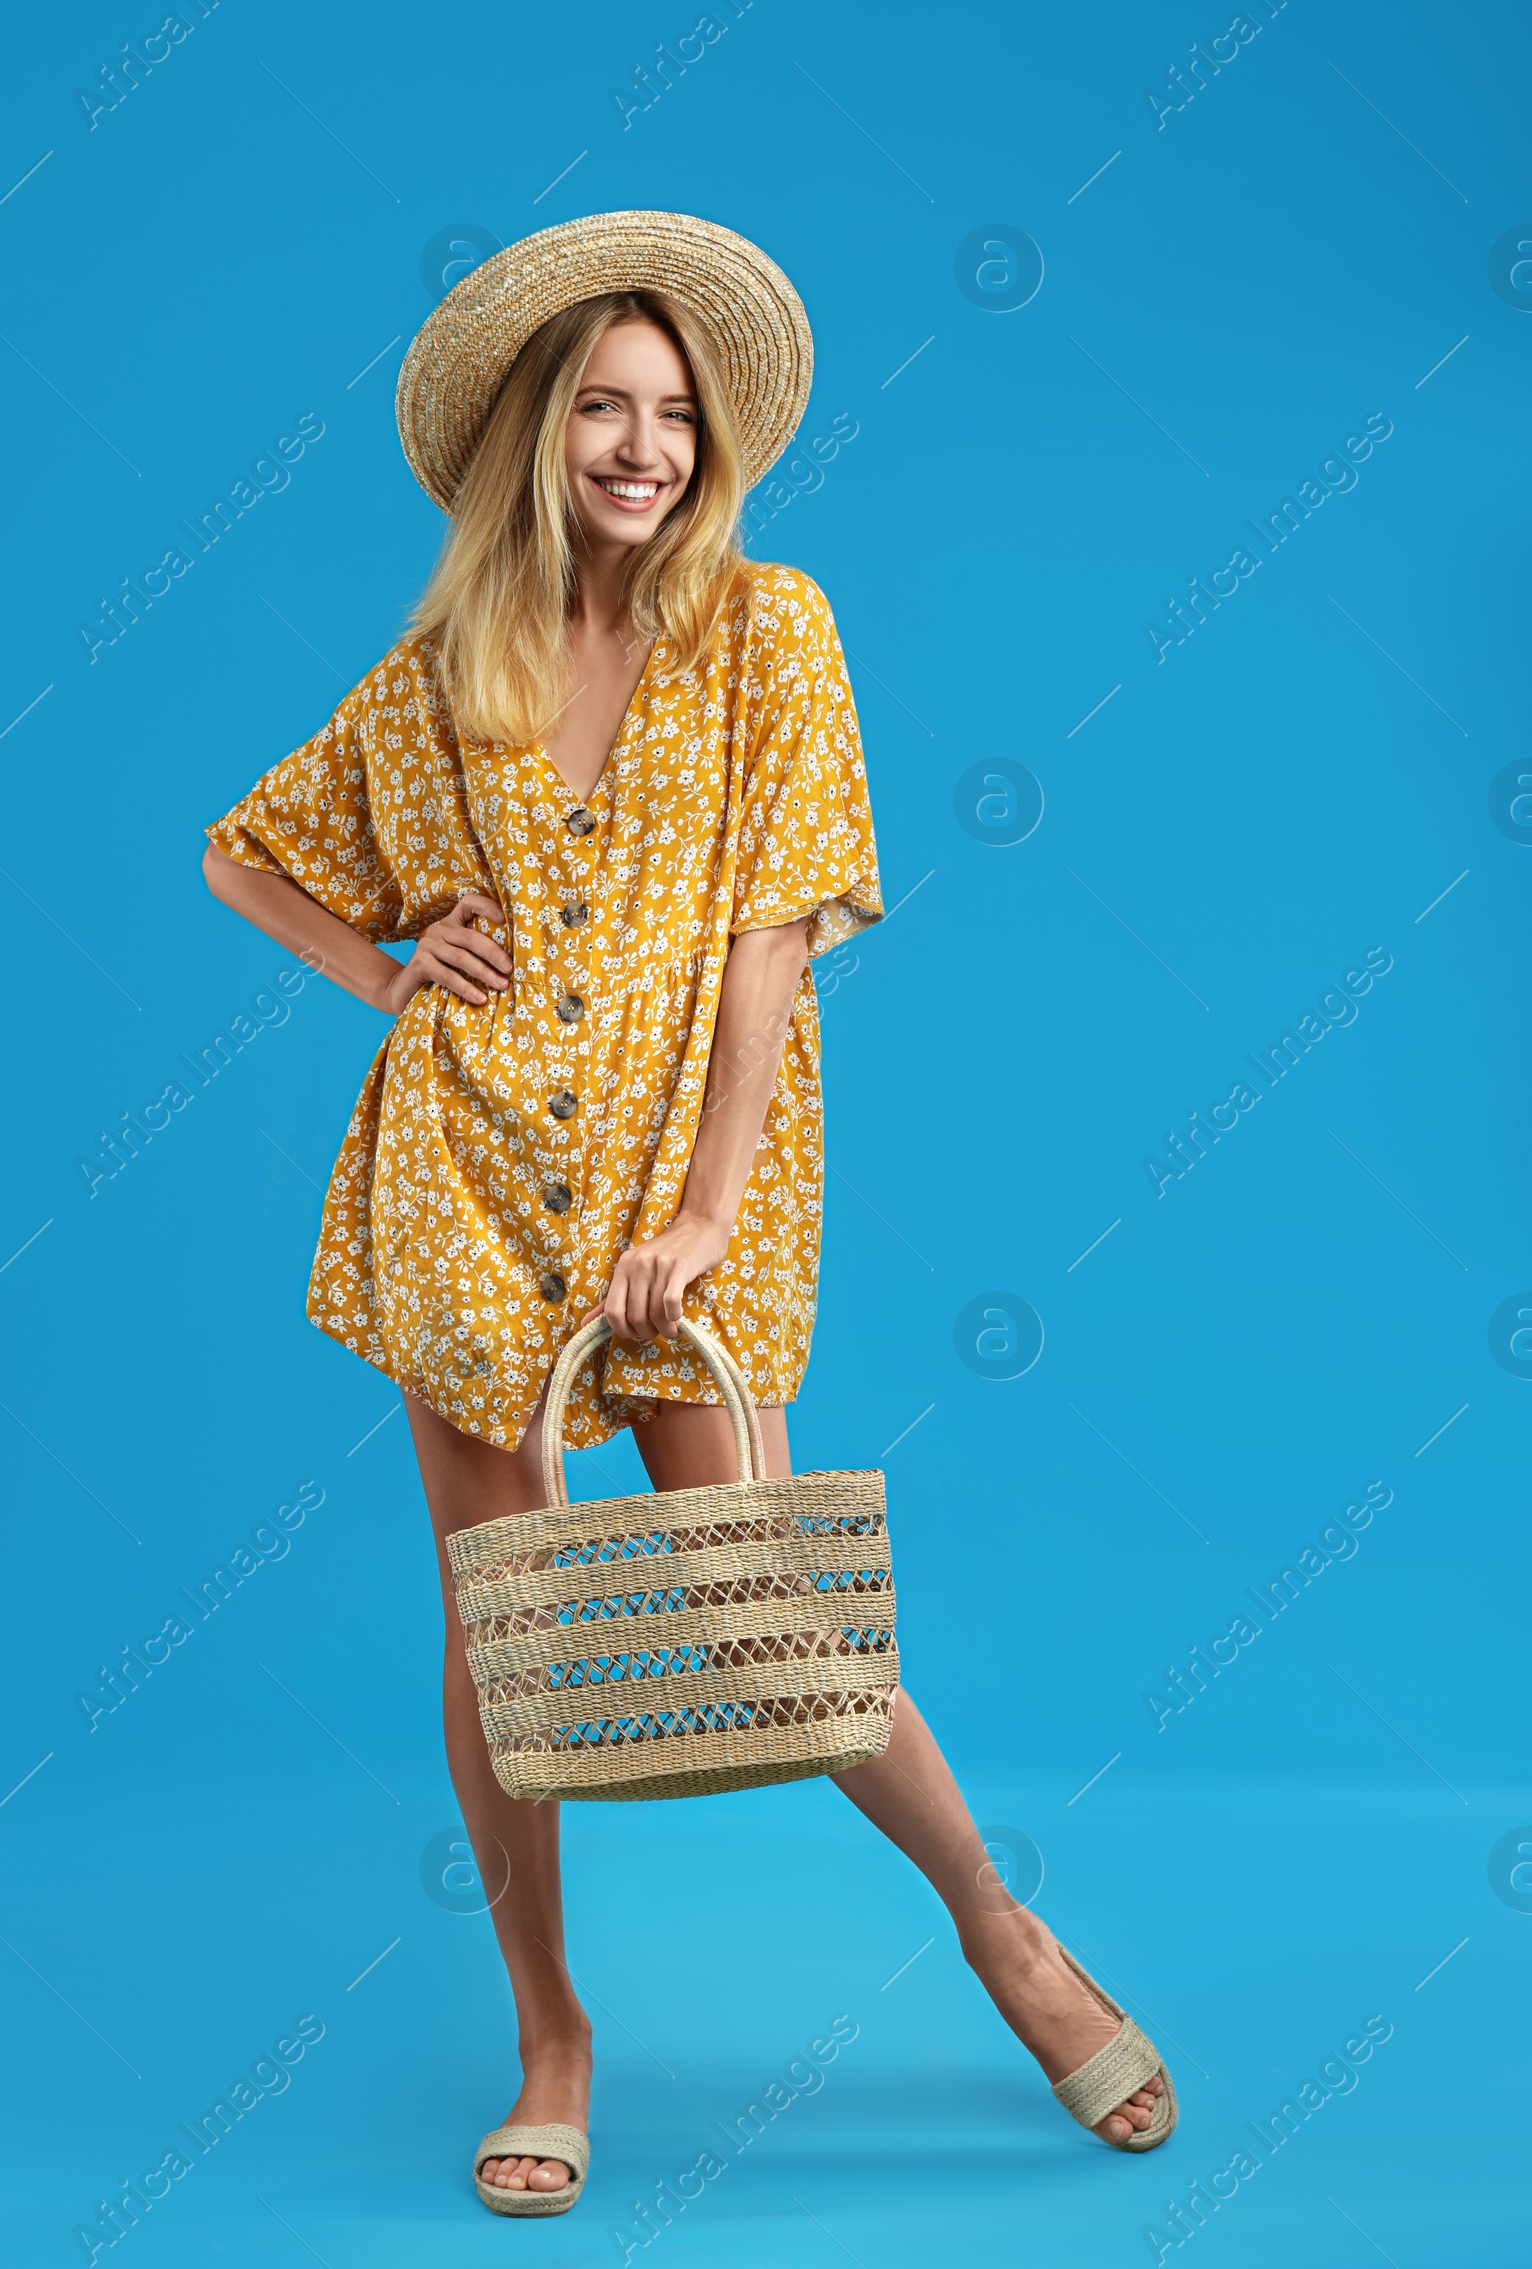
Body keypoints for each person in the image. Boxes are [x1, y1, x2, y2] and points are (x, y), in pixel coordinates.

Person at [201, 212, 1174, 2219]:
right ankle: (551, 2034)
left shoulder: (770, 633)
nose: (639, 444)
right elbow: (248, 852)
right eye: (600, 409)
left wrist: (707, 1211)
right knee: (502, 1640)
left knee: (765, 1608)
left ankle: (1006, 1935)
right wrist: (389, 970)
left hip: (683, 1190)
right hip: (462, 1182)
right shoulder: (437, 672)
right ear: (536, 436)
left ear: (706, 437)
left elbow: (767, 961)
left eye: (668, 411)